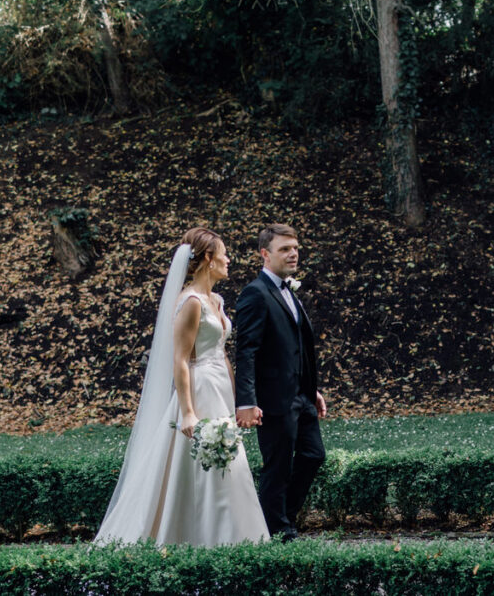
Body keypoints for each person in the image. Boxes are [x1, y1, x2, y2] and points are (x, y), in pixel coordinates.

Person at [94, 227, 269, 546]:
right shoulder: (190, 302)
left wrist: (238, 397)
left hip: (220, 389)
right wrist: (187, 412)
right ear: (207, 258)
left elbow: (222, 352)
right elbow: (180, 360)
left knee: (227, 462)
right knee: (200, 464)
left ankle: (235, 538)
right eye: (223, 253)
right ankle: (202, 536)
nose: (228, 259)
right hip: (199, 389)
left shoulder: (215, 299)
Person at [235, 224, 327, 542]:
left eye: (295, 248)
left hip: (300, 396)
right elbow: (246, 352)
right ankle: (278, 531)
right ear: (265, 254)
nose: (293, 253)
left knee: (314, 455)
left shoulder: (289, 291)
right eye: (284, 249)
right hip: (273, 399)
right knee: (277, 467)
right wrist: (246, 401)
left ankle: (276, 518)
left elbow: (294, 346)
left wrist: (310, 388)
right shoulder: (255, 294)